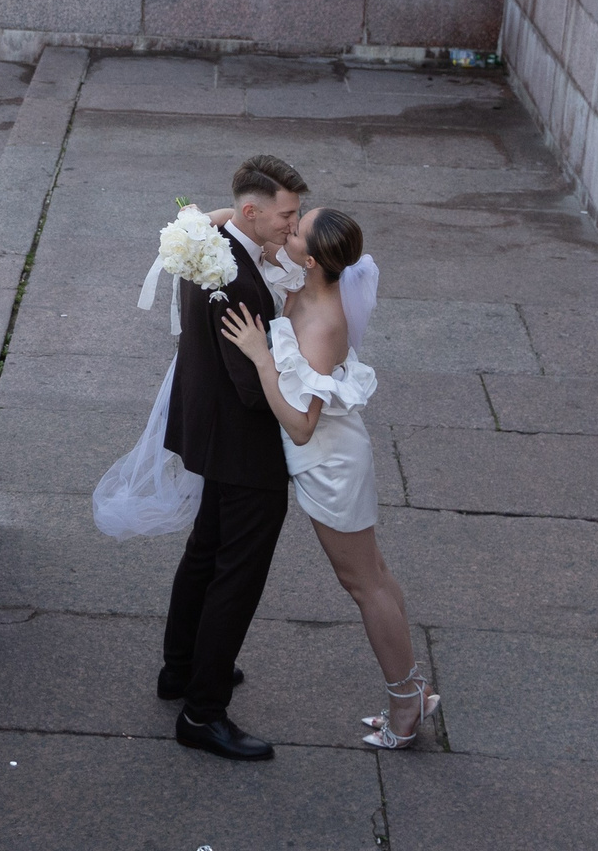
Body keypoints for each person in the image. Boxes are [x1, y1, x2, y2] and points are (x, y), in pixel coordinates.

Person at [221, 206, 438, 749]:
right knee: (376, 577)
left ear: (313, 259)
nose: (286, 230)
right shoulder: (307, 278)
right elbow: (244, 225)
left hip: (329, 463)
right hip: (333, 455)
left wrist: (261, 358)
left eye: (295, 229)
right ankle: (412, 688)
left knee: (364, 584)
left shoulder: (321, 326)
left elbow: (300, 426)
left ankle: (406, 705)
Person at [156, 154, 307, 762]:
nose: (292, 230)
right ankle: (203, 711)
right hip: (244, 446)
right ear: (251, 210)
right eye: (286, 216)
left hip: (206, 428)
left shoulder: (206, 240)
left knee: (204, 551)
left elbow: (206, 213)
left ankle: (180, 668)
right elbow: (254, 389)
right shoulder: (238, 280)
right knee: (235, 576)